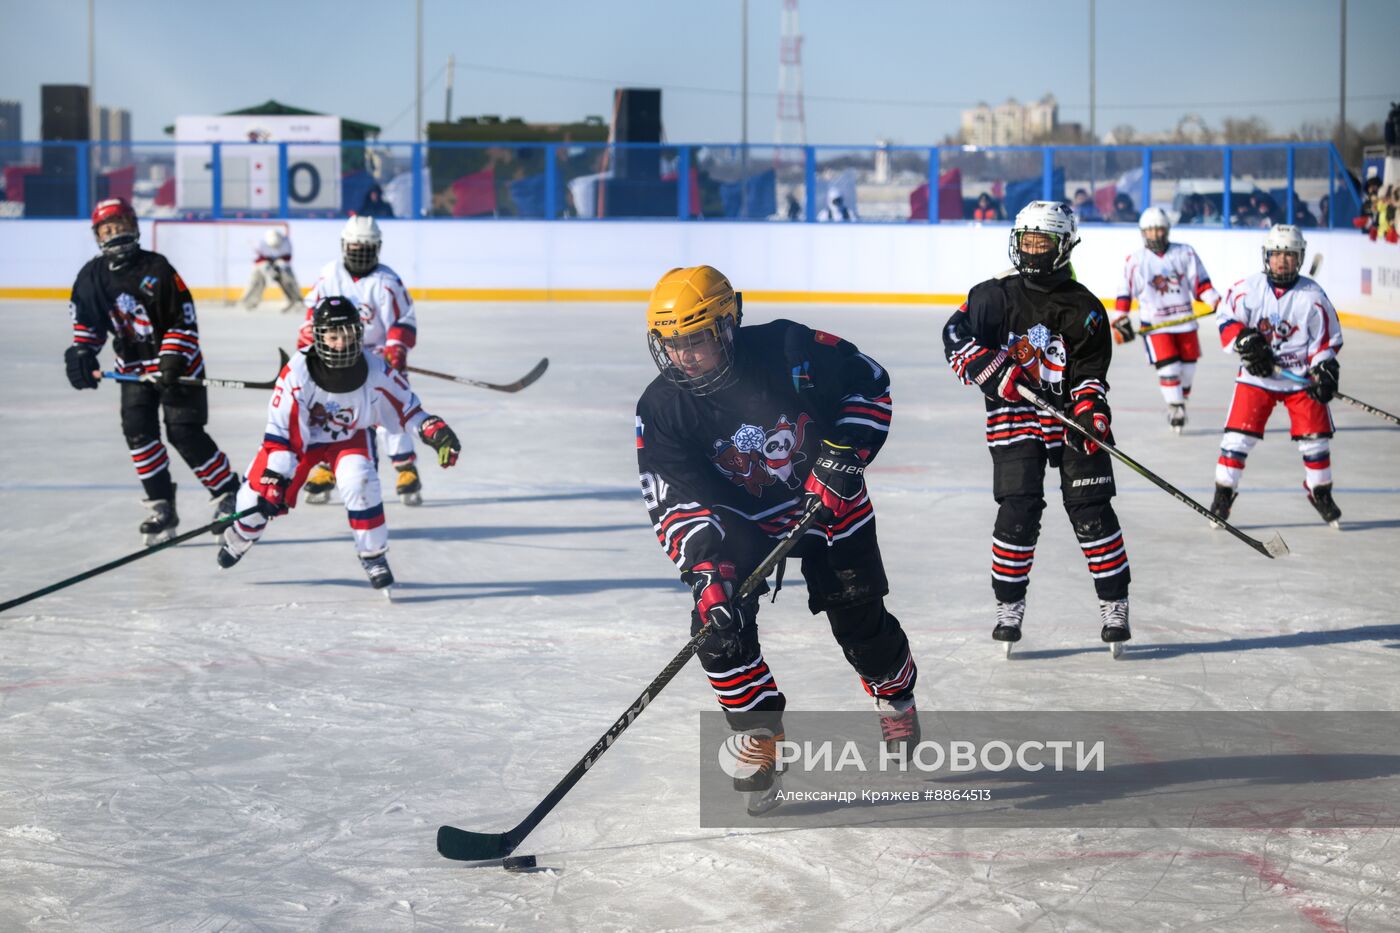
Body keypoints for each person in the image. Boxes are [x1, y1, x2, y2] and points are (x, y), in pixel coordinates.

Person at [636, 265, 921, 814]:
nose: (685, 355)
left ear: (727, 324)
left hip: (830, 509)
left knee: (863, 631)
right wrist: (706, 571)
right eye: (672, 344)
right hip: (744, 529)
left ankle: (895, 692)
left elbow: (870, 381)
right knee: (718, 635)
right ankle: (760, 742)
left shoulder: (791, 348)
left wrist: (846, 453)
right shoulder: (662, 407)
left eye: (696, 339)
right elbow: (675, 496)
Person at [943, 201, 1131, 649]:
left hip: (1068, 417)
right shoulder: (993, 296)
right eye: (1025, 240)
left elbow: (1090, 373)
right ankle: (1008, 605)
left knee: (1092, 510)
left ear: (1063, 246)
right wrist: (985, 365)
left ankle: (1114, 603)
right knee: (1018, 510)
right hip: (1014, 414)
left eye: (1040, 242)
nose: (1030, 250)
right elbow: (954, 335)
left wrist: (1090, 411)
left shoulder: (1085, 308)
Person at [217, 296, 461, 589]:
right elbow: (282, 433)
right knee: (254, 501)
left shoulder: (375, 369)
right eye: (333, 336)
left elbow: (407, 408)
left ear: (359, 333)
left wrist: (434, 430)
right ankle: (242, 536)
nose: (341, 343)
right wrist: (273, 481)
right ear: (319, 336)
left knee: (360, 482)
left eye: (348, 334)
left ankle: (373, 554)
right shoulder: (297, 373)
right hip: (299, 444)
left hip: (349, 437)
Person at [64, 198, 242, 545]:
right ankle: (162, 506)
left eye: (121, 226)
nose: (116, 234)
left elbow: (182, 319)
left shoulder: (157, 268)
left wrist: (171, 359)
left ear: (134, 227)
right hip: (133, 369)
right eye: (108, 229)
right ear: (98, 235)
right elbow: (87, 323)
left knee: (184, 433)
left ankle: (228, 492)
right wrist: (83, 353)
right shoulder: (90, 277)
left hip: (178, 365)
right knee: (139, 434)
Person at [1210, 225, 1344, 527]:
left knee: (1316, 441)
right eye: (1276, 254)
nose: (1282, 260)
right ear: (1266, 257)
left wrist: (1324, 367)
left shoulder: (1313, 296)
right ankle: (1223, 495)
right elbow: (1225, 316)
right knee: (1237, 439)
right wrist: (1246, 342)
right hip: (1257, 377)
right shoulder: (1248, 289)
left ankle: (1319, 491)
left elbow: (1326, 341)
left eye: (1289, 254)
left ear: (1299, 258)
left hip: (1300, 378)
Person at [297, 216, 423, 505]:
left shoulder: (387, 281)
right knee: (331, 410)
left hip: (377, 358)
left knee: (391, 409)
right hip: (338, 355)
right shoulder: (330, 274)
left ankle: (405, 467)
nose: (359, 253)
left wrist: (396, 347)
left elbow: (404, 319)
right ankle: (327, 467)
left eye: (366, 248)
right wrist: (309, 349)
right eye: (355, 247)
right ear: (344, 246)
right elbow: (312, 317)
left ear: (376, 248)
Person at [1108, 206, 1222, 432]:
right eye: (1150, 231)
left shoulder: (1185, 253)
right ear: (1143, 233)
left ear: (1167, 230)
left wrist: (1214, 299)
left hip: (1185, 321)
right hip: (1155, 324)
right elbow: (1125, 291)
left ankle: (1180, 399)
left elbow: (1200, 283)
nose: (1156, 235)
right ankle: (1175, 406)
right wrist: (1120, 317)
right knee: (1169, 368)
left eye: (1159, 230)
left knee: (1187, 371)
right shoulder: (1136, 260)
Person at [240, 228, 301, 312]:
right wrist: (269, 271)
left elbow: (287, 258)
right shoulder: (260, 244)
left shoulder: (286, 243)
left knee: (288, 279)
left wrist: (280, 266)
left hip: (280, 264)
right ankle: (248, 301)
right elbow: (259, 260)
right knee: (256, 281)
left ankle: (295, 300)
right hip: (264, 265)